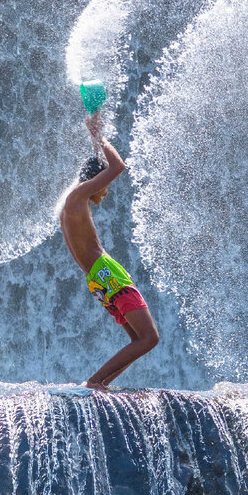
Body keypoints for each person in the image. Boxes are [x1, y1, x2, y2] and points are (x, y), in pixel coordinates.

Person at [59, 113, 159, 390]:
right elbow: (117, 166)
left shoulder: (69, 206)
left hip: (96, 279)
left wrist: (94, 141)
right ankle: (94, 382)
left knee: (138, 339)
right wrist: (98, 135)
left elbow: (103, 169)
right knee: (149, 338)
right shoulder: (77, 197)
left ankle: (102, 385)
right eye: (106, 185)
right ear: (95, 181)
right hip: (107, 273)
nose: (107, 192)